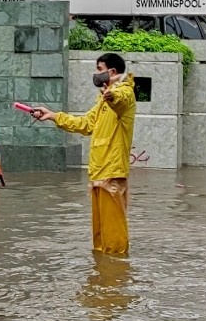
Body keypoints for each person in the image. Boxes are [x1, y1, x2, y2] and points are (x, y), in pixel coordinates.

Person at [25, 50, 136, 256]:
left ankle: (117, 272)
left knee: (113, 237)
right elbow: (85, 123)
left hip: (112, 172)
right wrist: (53, 116)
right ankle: (103, 270)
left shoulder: (124, 92)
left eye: (99, 69)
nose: (96, 73)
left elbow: (121, 100)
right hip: (99, 173)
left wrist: (112, 96)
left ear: (112, 72)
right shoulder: (102, 100)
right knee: (100, 238)